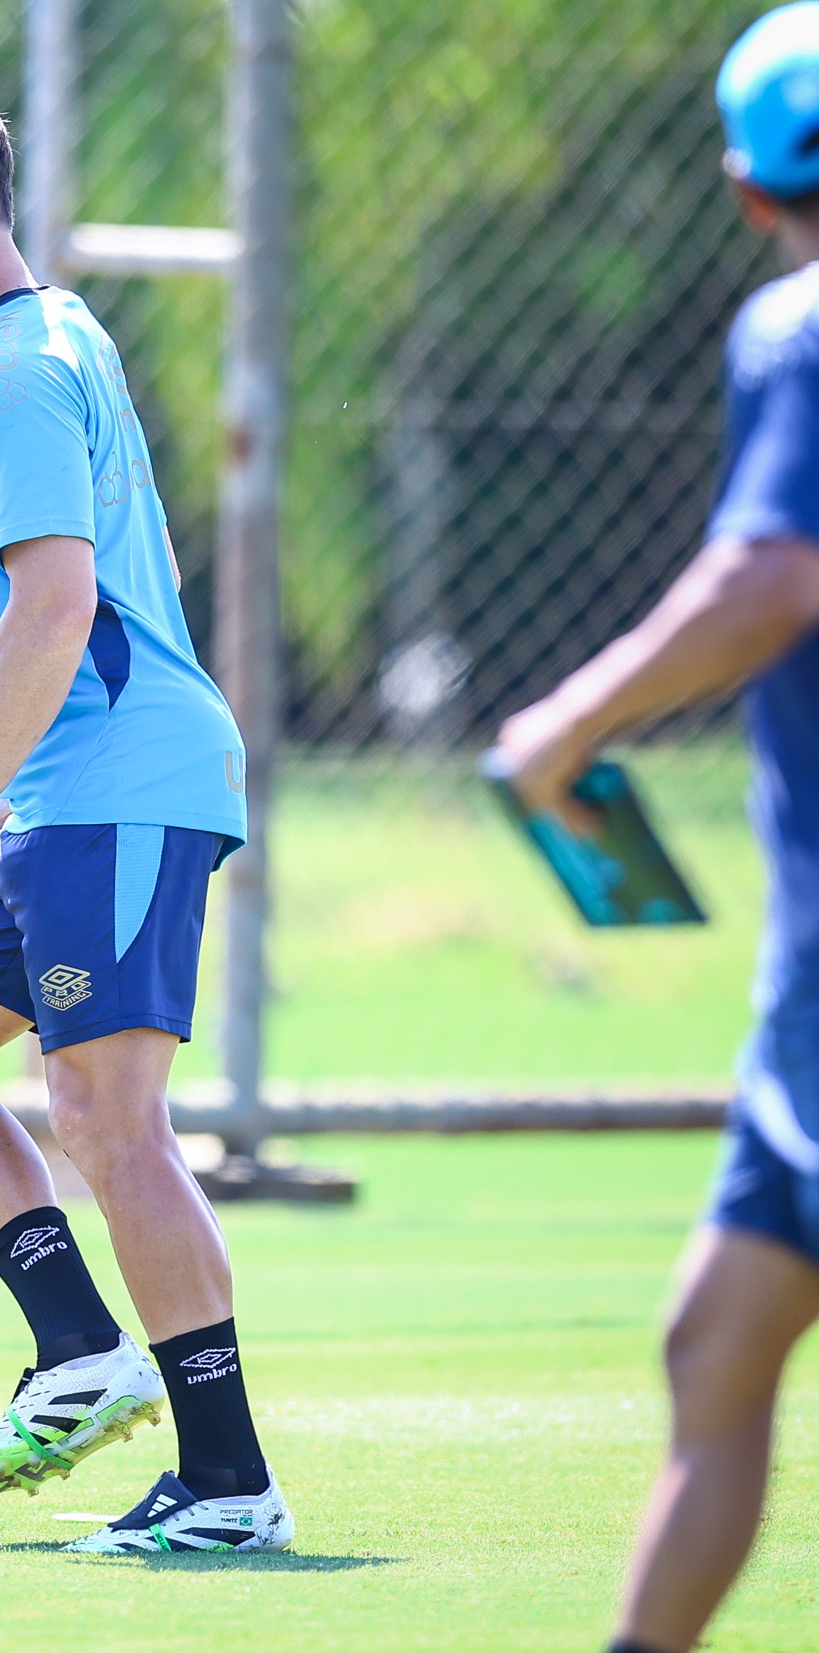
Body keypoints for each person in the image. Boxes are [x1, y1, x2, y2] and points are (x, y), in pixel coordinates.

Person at [0, 77, 289, 1553]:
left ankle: (230, 1485)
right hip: (67, 796)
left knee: (107, 1117)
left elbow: (56, 598)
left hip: (118, 786)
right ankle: (80, 1349)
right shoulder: (35, 340)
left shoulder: (12, 371)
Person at [497, 8, 819, 1647]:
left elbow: (775, 575)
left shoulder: (801, 326)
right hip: (807, 978)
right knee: (719, 1335)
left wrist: (570, 725)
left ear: (749, 183)